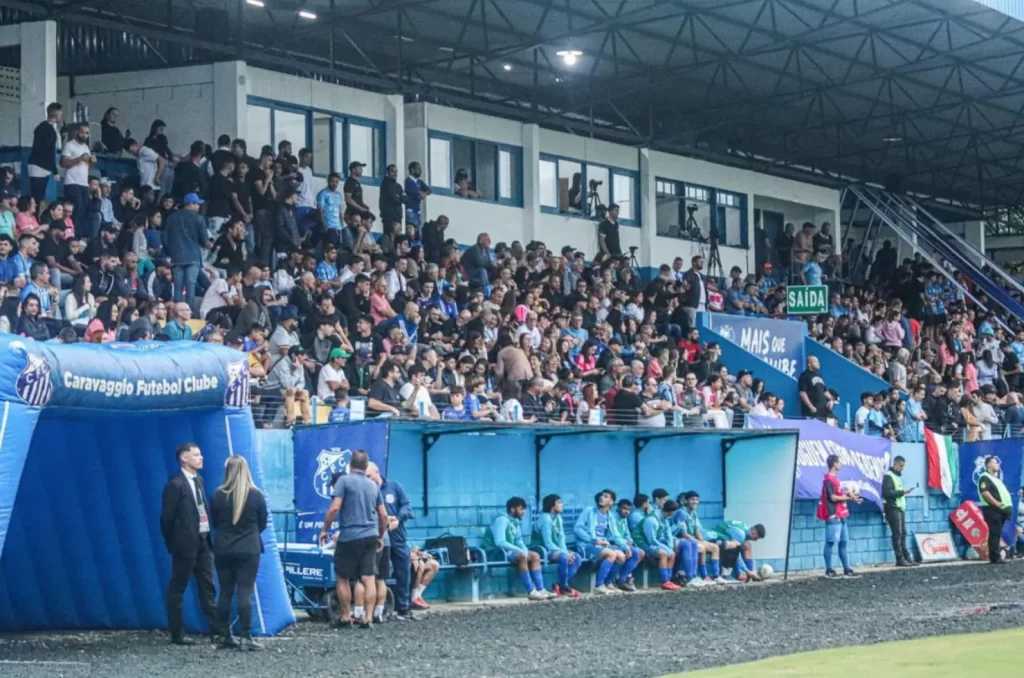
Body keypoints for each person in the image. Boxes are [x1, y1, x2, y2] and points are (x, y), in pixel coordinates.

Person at [319, 450, 389, 628]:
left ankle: (345, 617)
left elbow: (334, 508)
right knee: (369, 578)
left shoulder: (344, 481)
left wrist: (325, 530)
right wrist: (380, 536)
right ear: (366, 466)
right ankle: (368, 618)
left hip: (349, 537)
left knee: (342, 577)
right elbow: (383, 516)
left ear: (350, 465)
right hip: (370, 536)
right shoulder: (373, 486)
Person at [159, 442, 220, 645]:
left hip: (203, 541)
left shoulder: (199, 481)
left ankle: (217, 631)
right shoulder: (175, 485)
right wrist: (174, 544)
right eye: (196, 455)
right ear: (184, 458)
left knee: (208, 586)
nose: (201, 458)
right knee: (178, 587)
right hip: (185, 545)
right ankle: (177, 633)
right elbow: (166, 519)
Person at [210, 455, 268, 650]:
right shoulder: (256, 495)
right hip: (249, 548)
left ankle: (225, 635)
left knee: (225, 592)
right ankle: (245, 636)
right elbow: (262, 523)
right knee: (245, 592)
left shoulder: (218, 494)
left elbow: (215, 522)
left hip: (223, 548)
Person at [484, 496, 553, 600]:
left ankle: (540, 589)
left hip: (507, 551)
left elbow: (519, 541)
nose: (524, 511)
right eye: (521, 508)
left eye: (524, 509)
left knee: (535, 556)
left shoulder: (515, 522)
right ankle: (531, 591)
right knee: (521, 556)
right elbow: (500, 542)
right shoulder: (502, 520)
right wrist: (520, 551)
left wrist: (524, 550)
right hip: (495, 551)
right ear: (512, 509)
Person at [379, 470, 418, 618]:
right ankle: (380, 609)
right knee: (378, 574)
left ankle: (404, 607)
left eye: (369, 475)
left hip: (398, 537)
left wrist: (398, 518)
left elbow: (407, 505)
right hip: (378, 538)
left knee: (404, 572)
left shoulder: (394, 486)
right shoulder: (369, 489)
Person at [816, 454, 861, 579]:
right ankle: (829, 569)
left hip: (842, 514)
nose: (840, 464)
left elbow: (839, 495)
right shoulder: (828, 480)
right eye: (839, 462)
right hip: (833, 514)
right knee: (830, 542)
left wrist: (852, 498)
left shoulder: (836, 479)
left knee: (843, 542)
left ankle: (847, 568)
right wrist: (848, 498)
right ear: (834, 464)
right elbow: (833, 498)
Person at [573, 490, 627, 595]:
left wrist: (625, 546)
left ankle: (608, 583)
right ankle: (599, 585)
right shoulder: (589, 511)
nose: (602, 498)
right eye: (602, 496)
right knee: (611, 554)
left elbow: (616, 535)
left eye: (606, 496)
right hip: (587, 545)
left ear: (611, 502)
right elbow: (577, 529)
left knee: (621, 556)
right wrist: (593, 539)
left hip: (601, 545)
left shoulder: (610, 516)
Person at [532, 494, 582, 597]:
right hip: (541, 549)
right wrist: (564, 553)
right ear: (552, 505)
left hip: (554, 549)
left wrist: (565, 551)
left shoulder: (558, 518)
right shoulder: (545, 518)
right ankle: (564, 586)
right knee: (563, 557)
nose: (562, 504)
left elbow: (561, 539)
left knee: (577, 557)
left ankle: (559, 585)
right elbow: (548, 542)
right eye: (559, 502)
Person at [629, 493, 681, 591]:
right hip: (641, 542)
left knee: (672, 554)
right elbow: (651, 540)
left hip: (652, 542)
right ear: (671, 512)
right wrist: (665, 549)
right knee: (663, 553)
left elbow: (668, 534)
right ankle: (664, 581)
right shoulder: (652, 520)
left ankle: (669, 579)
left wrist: (670, 547)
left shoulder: (664, 519)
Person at [679, 491, 725, 583]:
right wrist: (698, 542)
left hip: (692, 539)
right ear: (686, 501)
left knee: (715, 547)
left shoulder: (694, 513)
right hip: (682, 540)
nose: (695, 502)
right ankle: (703, 575)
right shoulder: (681, 512)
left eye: (697, 500)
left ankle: (716, 576)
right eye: (692, 500)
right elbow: (683, 534)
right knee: (701, 547)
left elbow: (697, 530)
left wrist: (702, 540)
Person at [882, 455, 918, 567]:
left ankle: (906, 557)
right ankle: (899, 559)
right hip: (893, 507)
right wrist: (902, 492)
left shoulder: (896, 477)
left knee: (903, 533)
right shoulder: (888, 476)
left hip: (900, 507)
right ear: (895, 464)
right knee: (897, 534)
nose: (902, 468)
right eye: (901, 466)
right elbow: (887, 493)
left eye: (903, 466)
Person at [977, 455, 1013, 565]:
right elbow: (985, 493)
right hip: (993, 510)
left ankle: (996, 556)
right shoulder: (984, 477)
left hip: (1000, 511)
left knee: (997, 533)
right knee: (994, 533)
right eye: (995, 462)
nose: (997, 464)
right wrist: (996, 503)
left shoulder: (996, 479)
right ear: (988, 465)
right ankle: (995, 557)